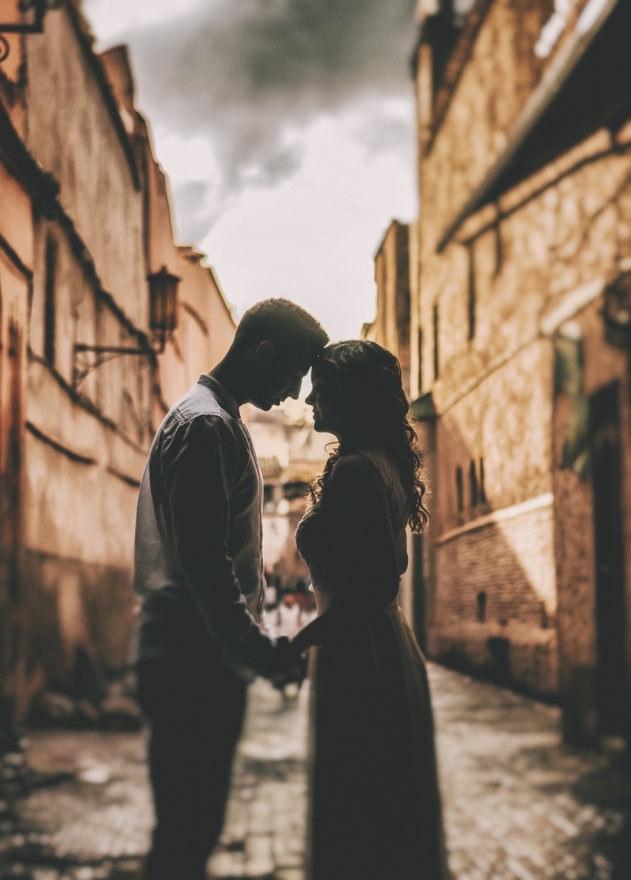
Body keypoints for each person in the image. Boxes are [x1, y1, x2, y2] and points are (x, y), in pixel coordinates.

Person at [133, 298, 328, 880]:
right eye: (295, 372)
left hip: (194, 652)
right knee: (187, 835)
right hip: (193, 656)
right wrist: (255, 650)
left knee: (189, 831)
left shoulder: (214, 418)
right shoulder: (208, 427)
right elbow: (207, 566)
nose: (295, 393)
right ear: (263, 353)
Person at [290, 340, 449, 880]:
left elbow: (373, 586)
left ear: (348, 397)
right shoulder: (380, 462)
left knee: (359, 804)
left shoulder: (357, 470)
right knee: (384, 804)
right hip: (384, 644)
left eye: (323, 388)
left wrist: (300, 641)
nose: (310, 398)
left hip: (359, 653)